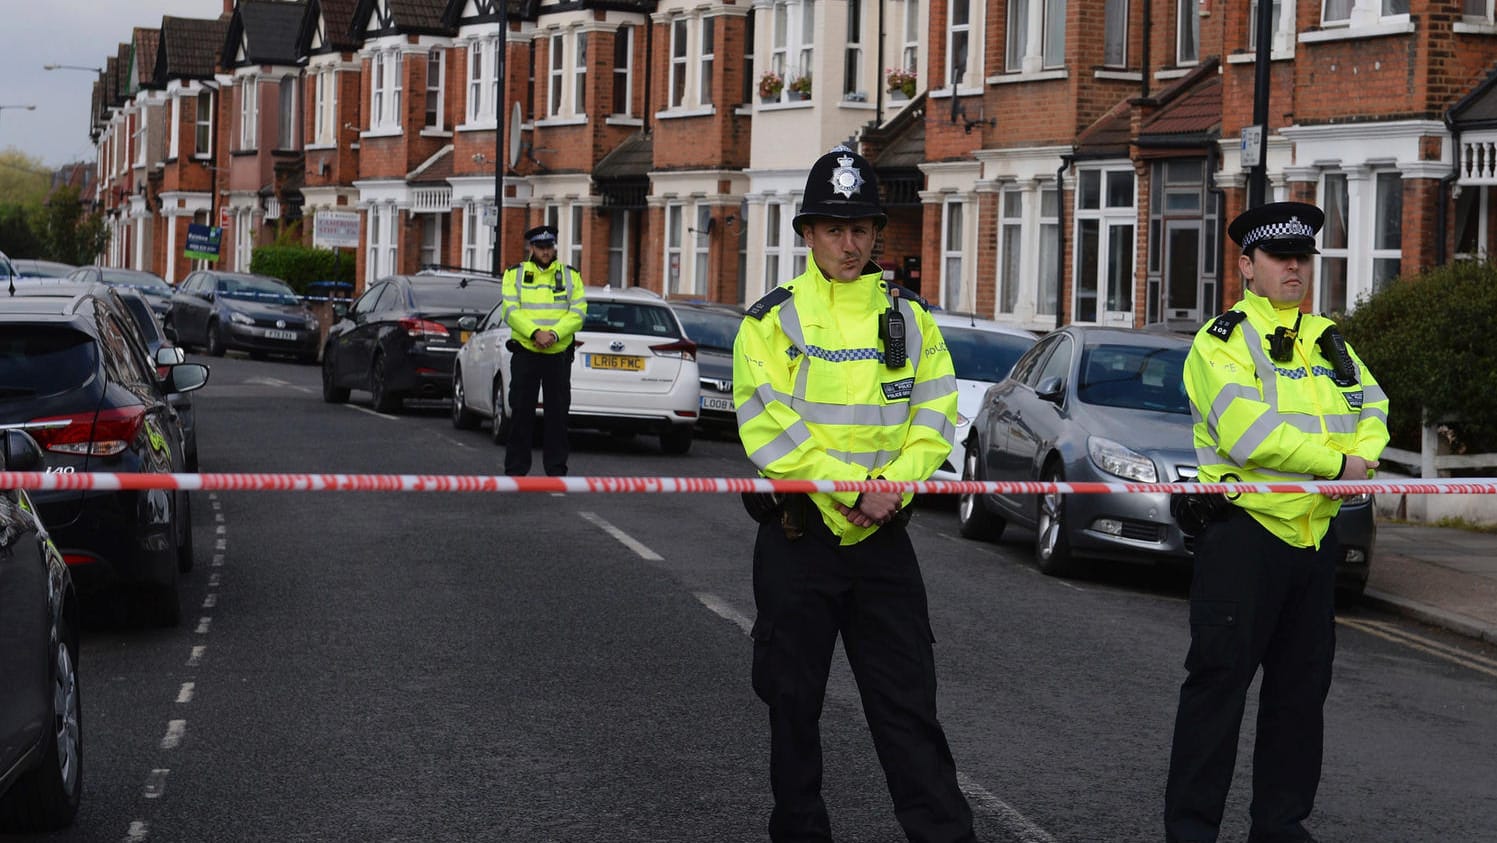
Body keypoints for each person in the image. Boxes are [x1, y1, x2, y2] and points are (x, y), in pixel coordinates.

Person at [733, 145, 975, 843]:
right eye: (834, 229)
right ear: (806, 233)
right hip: (799, 535)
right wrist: (845, 491)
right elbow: (765, 425)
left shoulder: (909, 318)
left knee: (908, 709)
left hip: (882, 539)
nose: (849, 243)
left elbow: (935, 413)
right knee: (792, 704)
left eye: (862, 228)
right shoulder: (770, 320)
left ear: (876, 233)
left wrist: (894, 487)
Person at [1164, 201, 1390, 843]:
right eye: (1279, 257)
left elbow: (1374, 408)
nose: (1294, 268)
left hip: (1314, 540)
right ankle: (1190, 831)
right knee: (1217, 692)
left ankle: (1281, 828)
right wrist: (1338, 463)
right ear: (1247, 266)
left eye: (1303, 258)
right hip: (1246, 536)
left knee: (1299, 700)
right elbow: (1248, 434)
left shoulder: (1328, 339)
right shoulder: (1222, 340)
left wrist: (1362, 455)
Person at [499, 224, 587, 477]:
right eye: (541, 247)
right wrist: (535, 333)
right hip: (526, 351)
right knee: (520, 414)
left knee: (557, 416)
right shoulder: (514, 275)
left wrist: (554, 334)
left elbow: (578, 313)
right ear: (531, 248)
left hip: (557, 354)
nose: (546, 252)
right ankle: (516, 471)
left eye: (549, 247)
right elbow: (510, 310)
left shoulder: (571, 276)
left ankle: (556, 470)